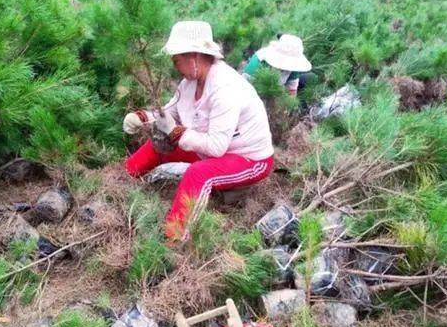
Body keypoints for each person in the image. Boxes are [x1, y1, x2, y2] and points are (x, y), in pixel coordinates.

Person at [122, 21, 274, 243]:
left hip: (249, 158)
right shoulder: (190, 83)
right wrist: (143, 117)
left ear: (194, 55)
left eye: (177, 60)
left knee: (199, 174)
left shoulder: (224, 88)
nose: (175, 66)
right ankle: (123, 176)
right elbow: (170, 111)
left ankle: (175, 238)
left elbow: (216, 147)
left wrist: (176, 132)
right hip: (215, 149)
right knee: (160, 146)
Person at [242, 34, 312, 96]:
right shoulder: (259, 60)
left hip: (276, 94)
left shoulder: (294, 67)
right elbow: (243, 86)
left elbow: (292, 90)